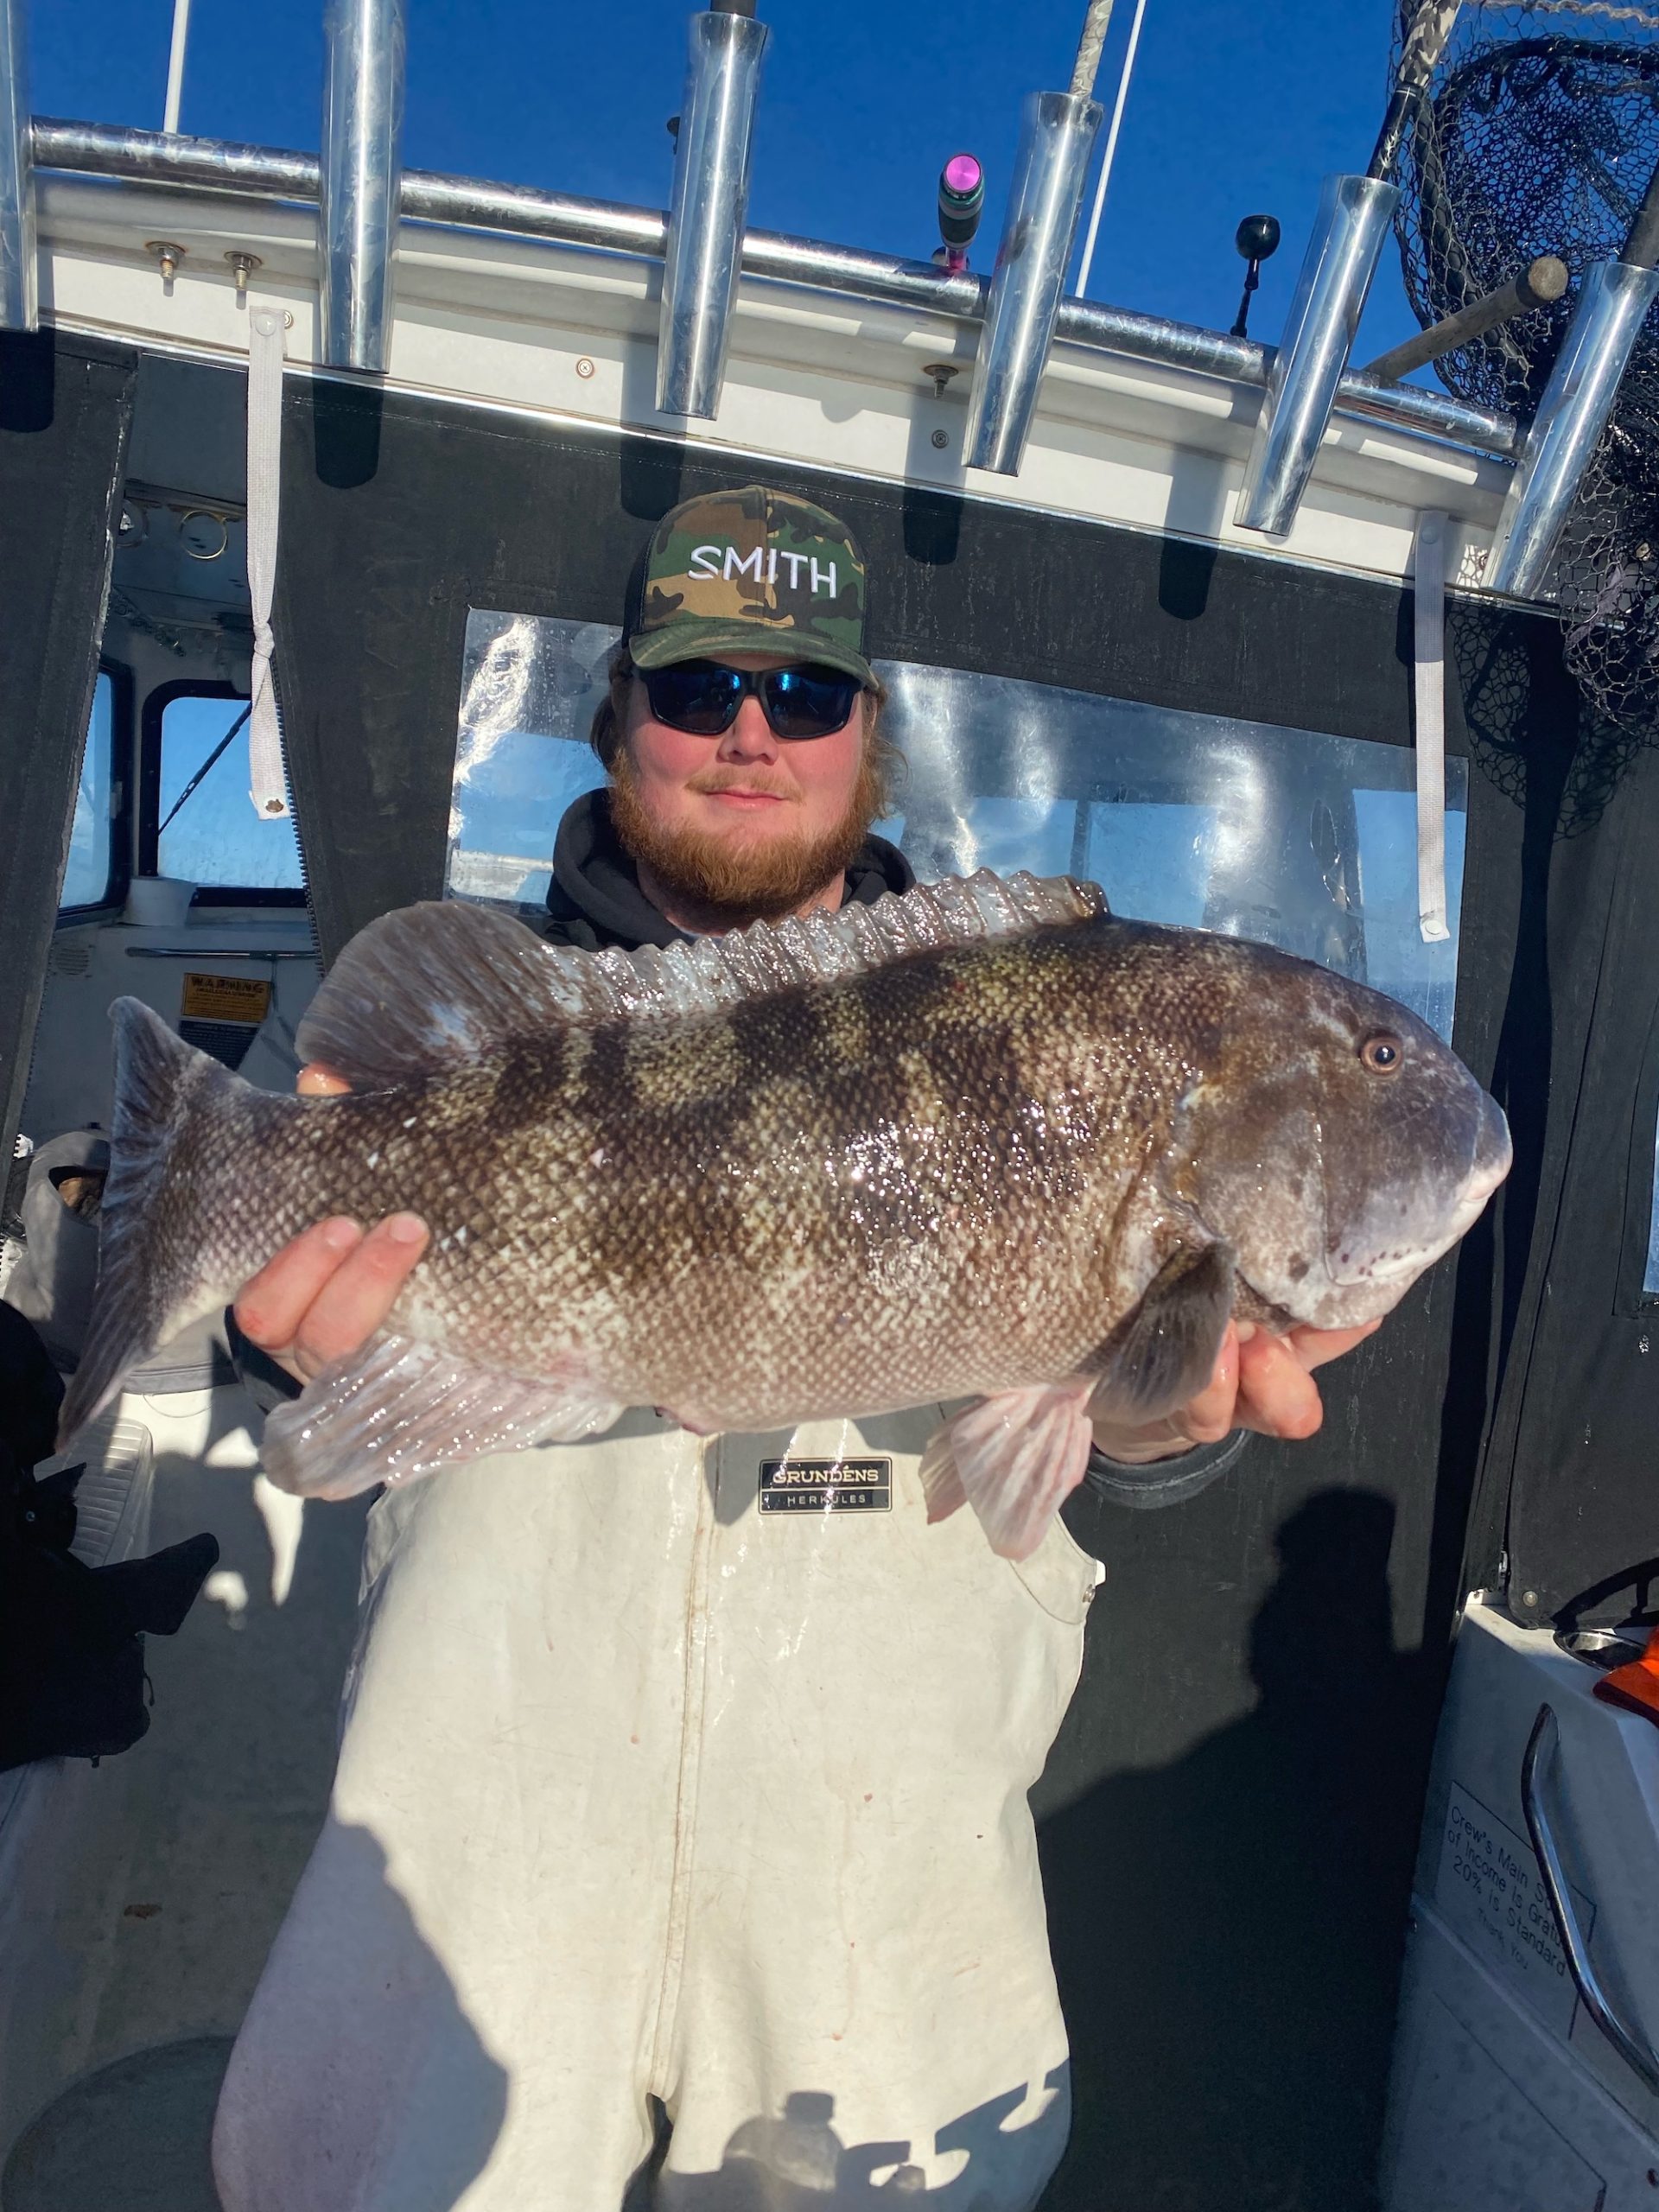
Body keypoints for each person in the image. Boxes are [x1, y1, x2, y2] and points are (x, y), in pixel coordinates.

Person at [211, 487, 1376, 2212]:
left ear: (869, 741)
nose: (751, 733)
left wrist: (1152, 1424)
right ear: (617, 734)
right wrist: (279, 1353)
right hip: (476, 1888)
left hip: (877, 1917)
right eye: (696, 691)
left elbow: (1137, 1433)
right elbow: (318, 1377)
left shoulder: (1045, 1024)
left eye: (804, 694)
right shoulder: (484, 1046)